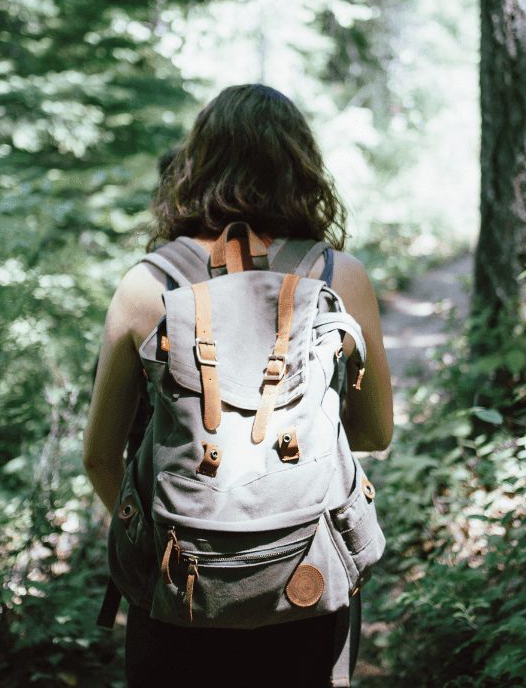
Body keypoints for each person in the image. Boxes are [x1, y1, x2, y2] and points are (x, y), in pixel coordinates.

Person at [82, 84, 395, 686]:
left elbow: (100, 456)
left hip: (179, 589)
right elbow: (374, 432)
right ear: (301, 168)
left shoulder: (146, 286)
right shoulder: (339, 277)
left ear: (195, 166)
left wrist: (165, 537)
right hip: (308, 580)